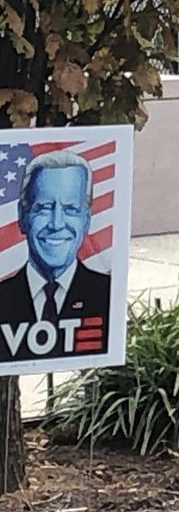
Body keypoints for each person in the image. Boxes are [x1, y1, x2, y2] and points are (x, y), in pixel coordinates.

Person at [0, 150, 111, 361]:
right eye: (44, 208)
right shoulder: (3, 297)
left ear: (87, 219)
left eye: (70, 209)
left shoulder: (107, 295)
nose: (57, 223)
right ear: (23, 216)